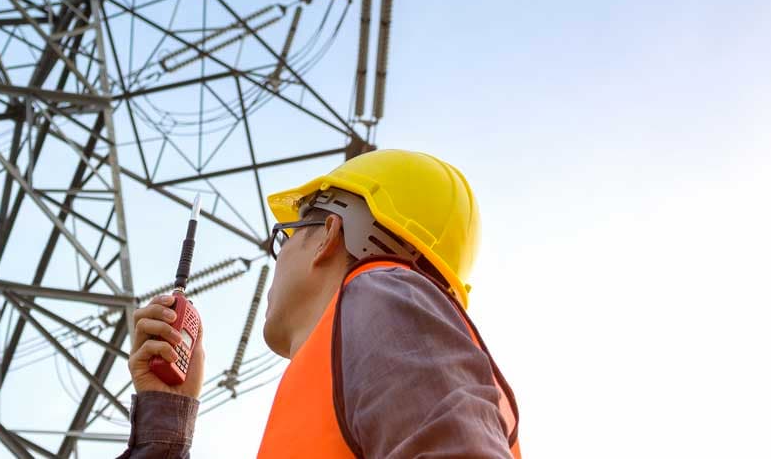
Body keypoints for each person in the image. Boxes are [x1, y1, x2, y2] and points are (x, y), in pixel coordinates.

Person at [118, 149, 520, 458]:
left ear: (328, 233)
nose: (278, 259)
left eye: (286, 236)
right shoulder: (355, 359)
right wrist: (165, 419)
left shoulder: (383, 295)